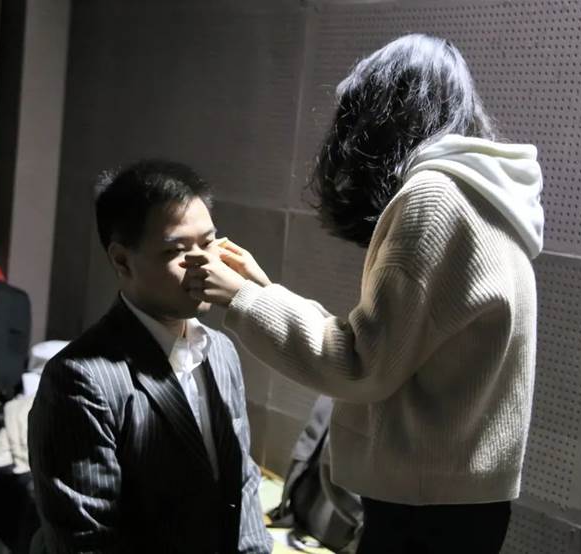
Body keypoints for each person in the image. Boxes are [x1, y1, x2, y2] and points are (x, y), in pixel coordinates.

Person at [182, 34, 544, 553]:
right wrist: (263, 288)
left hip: (423, 508)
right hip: (463, 499)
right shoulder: (490, 197)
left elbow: (361, 364)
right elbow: (393, 342)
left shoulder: (433, 199)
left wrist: (242, 298)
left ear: (382, 112)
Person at [28, 160, 272, 554]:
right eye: (177, 251)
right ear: (122, 260)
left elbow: (242, 484)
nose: (204, 265)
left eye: (209, 242)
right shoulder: (80, 378)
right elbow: (86, 540)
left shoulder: (222, 351)